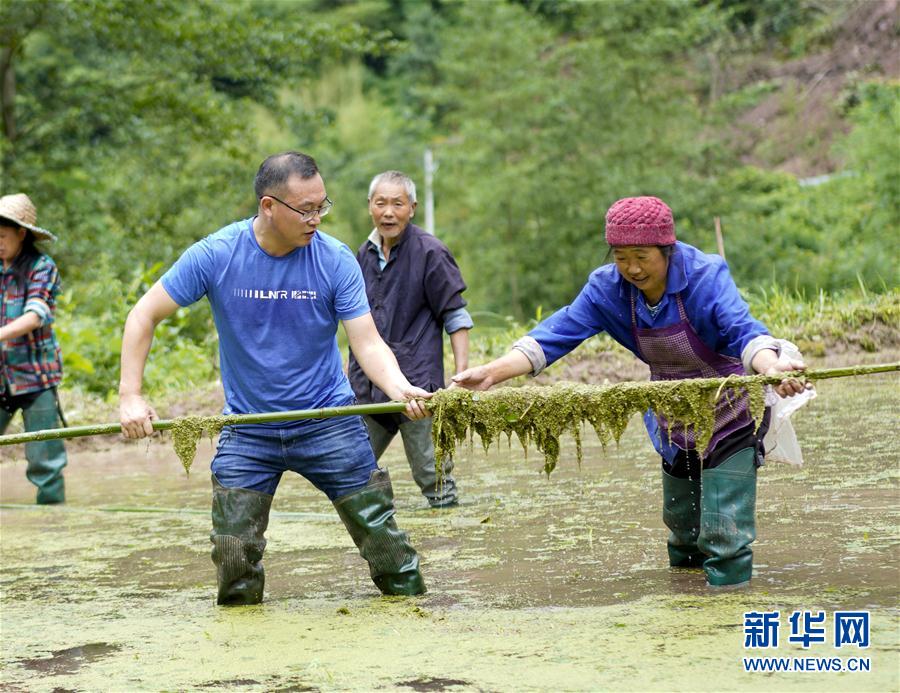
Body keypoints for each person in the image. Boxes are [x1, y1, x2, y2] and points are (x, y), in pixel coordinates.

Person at [119, 152, 431, 605]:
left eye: (323, 206)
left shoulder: (334, 259)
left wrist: (398, 387)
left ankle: (416, 617)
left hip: (328, 419)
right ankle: (244, 656)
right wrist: (131, 394)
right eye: (306, 210)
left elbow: (366, 343)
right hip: (249, 429)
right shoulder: (216, 255)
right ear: (269, 207)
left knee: (385, 542)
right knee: (233, 554)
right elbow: (143, 314)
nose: (316, 219)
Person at [452, 196, 808, 589]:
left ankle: (727, 605)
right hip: (671, 411)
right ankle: (685, 600)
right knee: (683, 528)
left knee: (724, 533)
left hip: (728, 406)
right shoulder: (607, 288)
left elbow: (745, 331)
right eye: (621, 257)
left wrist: (770, 368)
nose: (633, 269)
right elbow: (557, 334)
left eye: (643, 256)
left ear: (666, 250)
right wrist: (493, 372)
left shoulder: (705, 275)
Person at [349, 171, 472, 509]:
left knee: (434, 479)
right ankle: (379, 537)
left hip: (418, 390)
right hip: (368, 388)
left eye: (397, 204)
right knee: (351, 472)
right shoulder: (362, 255)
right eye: (381, 203)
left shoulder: (431, 252)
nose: (389, 212)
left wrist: (460, 378)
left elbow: (456, 316)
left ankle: (450, 542)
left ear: (412, 208)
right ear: (370, 207)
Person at [0, 193, 67, 505]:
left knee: (45, 462)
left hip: (36, 377)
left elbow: (35, 315)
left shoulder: (42, 266)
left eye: (2, 237)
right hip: (2, 376)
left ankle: (52, 519)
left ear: (21, 234)